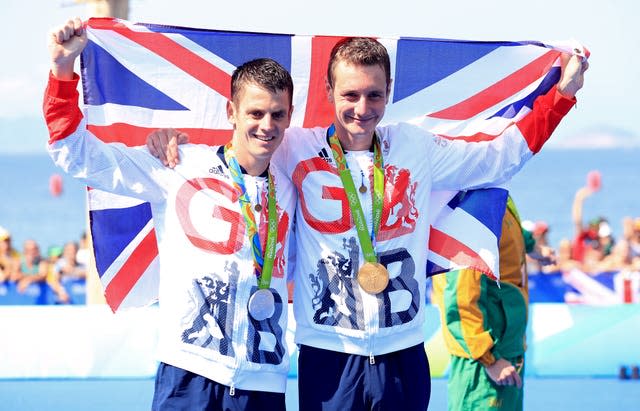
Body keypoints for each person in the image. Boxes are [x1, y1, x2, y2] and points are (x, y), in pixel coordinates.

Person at [151, 36, 587, 410]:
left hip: (403, 353)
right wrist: (171, 141)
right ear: (329, 92)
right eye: (350, 95)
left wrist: (561, 97)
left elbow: (497, 158)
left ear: (389, 92)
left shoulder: (415, 147)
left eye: (374, 95)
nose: (362, 108)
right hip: (329, 355)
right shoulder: (292, 149)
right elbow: (242, 149)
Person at [45, 18, 296, 410]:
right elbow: (77, 155)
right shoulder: (177, 164)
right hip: (189, 373)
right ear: (232, 112)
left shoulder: (294, 186)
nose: (267, 126)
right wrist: (62, 72)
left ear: (290, 116)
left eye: (277, 115)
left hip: (264, 380)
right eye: (256, 113)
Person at [431, 196, 530, 411]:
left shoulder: (493, 188)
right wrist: (489, 358)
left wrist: (532, 245)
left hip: (507, 347)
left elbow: (506, 225)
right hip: (485, 357)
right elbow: (460, 298)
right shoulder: (468, 209)